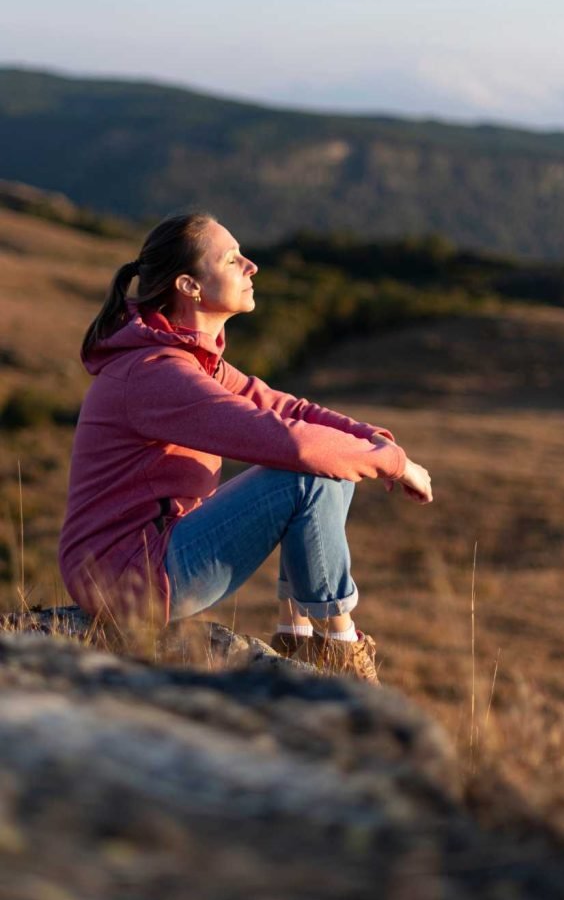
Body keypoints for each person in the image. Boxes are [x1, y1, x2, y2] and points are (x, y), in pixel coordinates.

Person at [58, 212, 433, 683]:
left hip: (153, 562)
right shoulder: (156, 373)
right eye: (233, 259)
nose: (251, 266)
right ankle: (341, 646)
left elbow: (289, 409)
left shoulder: (193, 362)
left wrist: (374, 441)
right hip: (130, 581)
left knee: (333, 459)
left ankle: (296, 632)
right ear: (190, 287)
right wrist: (394, 466)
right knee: (306, 470)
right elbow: (291, 443)